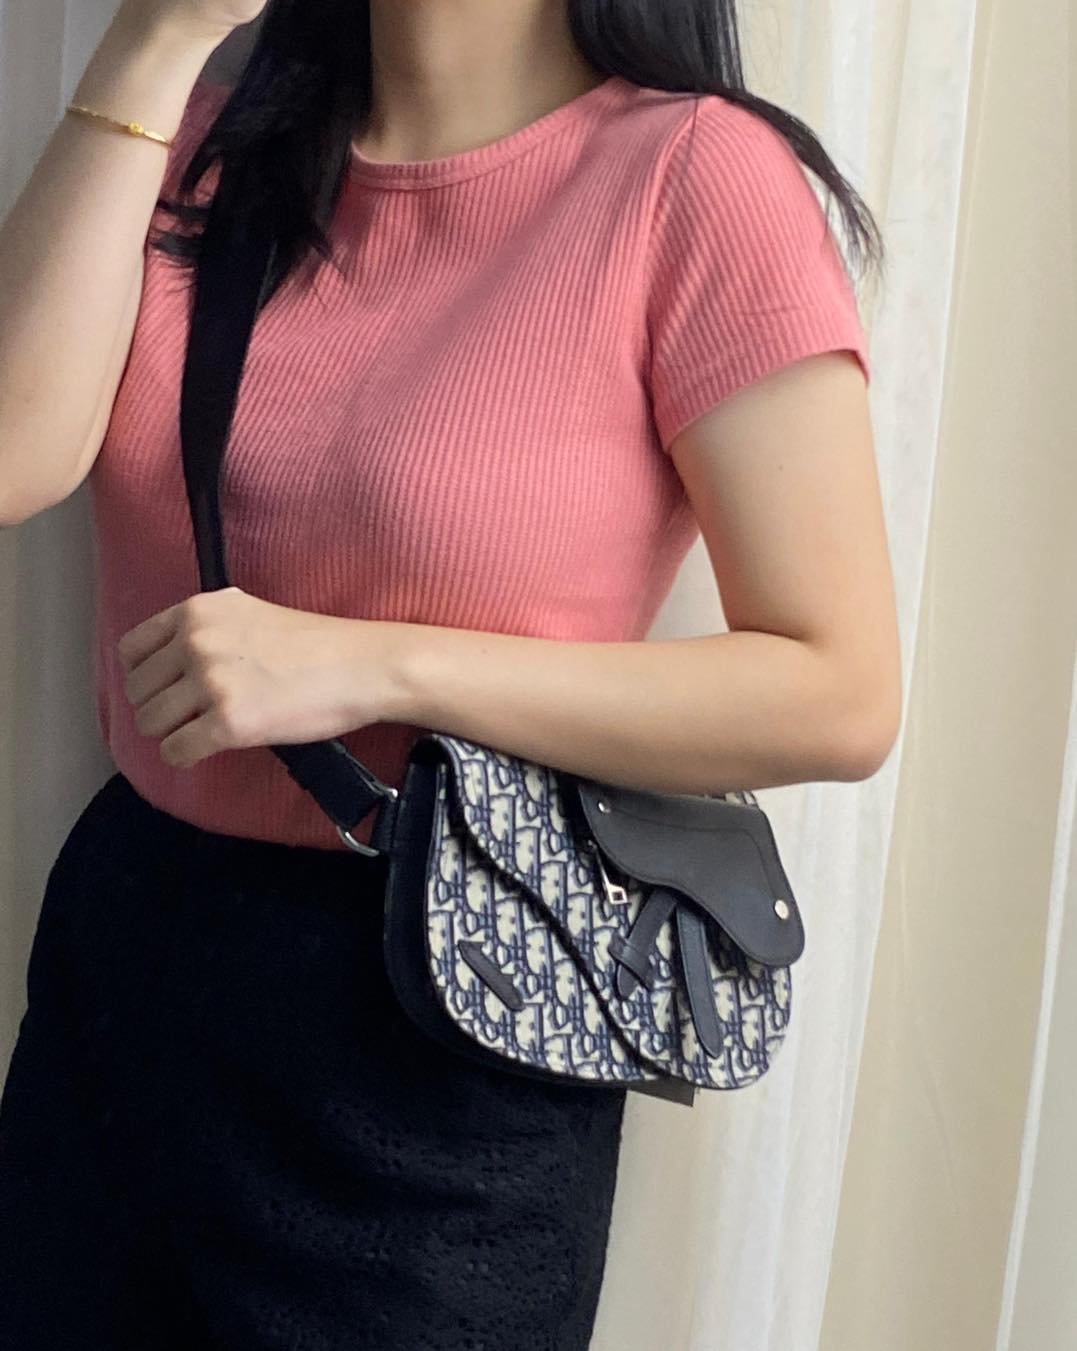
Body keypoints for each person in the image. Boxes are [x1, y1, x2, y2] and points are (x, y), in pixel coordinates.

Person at [0, 0, 899, 1346]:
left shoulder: (694, 177)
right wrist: (154, 37)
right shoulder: (194, 140)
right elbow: (14, 456)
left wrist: (376, 667)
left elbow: (839, 690)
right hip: (129, 972)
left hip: (445, 1011)